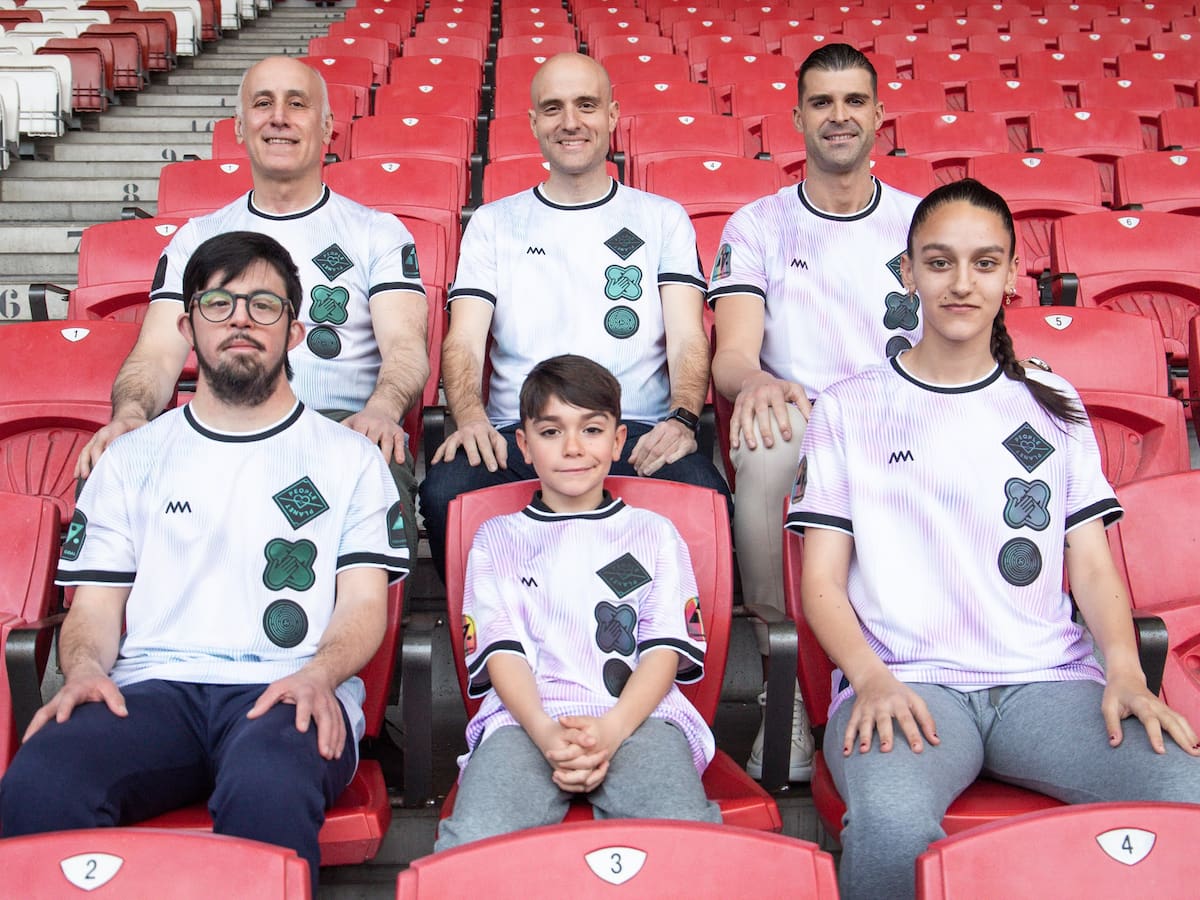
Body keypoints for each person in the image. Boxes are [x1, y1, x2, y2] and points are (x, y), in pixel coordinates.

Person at [789, 179, 1200, 900]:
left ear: (1011, 275)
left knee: (1182, 788)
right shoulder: (848, 408)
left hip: (1045, 683)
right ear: (908, 272)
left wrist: (1125, 671)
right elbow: (820, 582)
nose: (961, 282)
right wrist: (869, 677)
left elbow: (1091, 564)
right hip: (908, 682)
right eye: (939, 262)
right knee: (891, 822)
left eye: (984, 263)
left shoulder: (1052, 400)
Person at [0, 232, 410, 895]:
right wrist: (83, 671)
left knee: (268, 785)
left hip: (287, 688)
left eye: (263, 305)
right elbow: (94, 609)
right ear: (187, 327)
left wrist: (320, 675)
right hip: (152, 690)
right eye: (219, 303)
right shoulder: (130, 459)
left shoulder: (351, 459)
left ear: (294, 332)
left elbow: (364, 605)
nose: (240, 319)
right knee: (43, 779)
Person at [75, 55, 428, 553]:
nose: (279, 117)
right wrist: (131, 414)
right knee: (111, 465)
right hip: (220, 422)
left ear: (327, 126)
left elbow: (406, 347)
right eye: (263, 104)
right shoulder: (196, 238)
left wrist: (382, 409)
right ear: (240, 127)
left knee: (379, 469)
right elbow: (155, 354)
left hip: (336, 423)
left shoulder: (378, 233)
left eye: (297, 104)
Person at [419, 51, 729, 577]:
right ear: (533, 123)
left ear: (612, 115)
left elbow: (686, 338)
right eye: (553, 108)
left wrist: (681, 419)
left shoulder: (662, 218)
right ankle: (491, 621)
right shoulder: (494, 222)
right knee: (445, 490)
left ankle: (673, 631)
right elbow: (464, 339)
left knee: (705, 493)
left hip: (633, 431)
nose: (570, 122)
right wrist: (469, 418)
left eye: (586, 105)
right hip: (520, 434)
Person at [707, 42, 923, 782]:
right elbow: (732, 355)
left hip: (906, 414)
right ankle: (789, 679)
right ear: (797, 118)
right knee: (767, 437)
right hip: (805, 418)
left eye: (854, 101)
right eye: (822, 102)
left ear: (879, 114)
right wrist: (755, 380)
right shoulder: (758, 225)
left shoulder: (922, 221)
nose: (839, 116)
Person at [435, 355, 722, 849]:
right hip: (525, 724)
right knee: (472, 844)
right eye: (551, 432)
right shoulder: (496, 538)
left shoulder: (653, 533)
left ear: (618, 441)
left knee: (687, 842)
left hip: (639, 720)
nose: (573, 448)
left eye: (591, 430)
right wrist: (546, 734)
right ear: (523, 445)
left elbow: (663, 651)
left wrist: (612, 730)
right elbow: (503, 654)